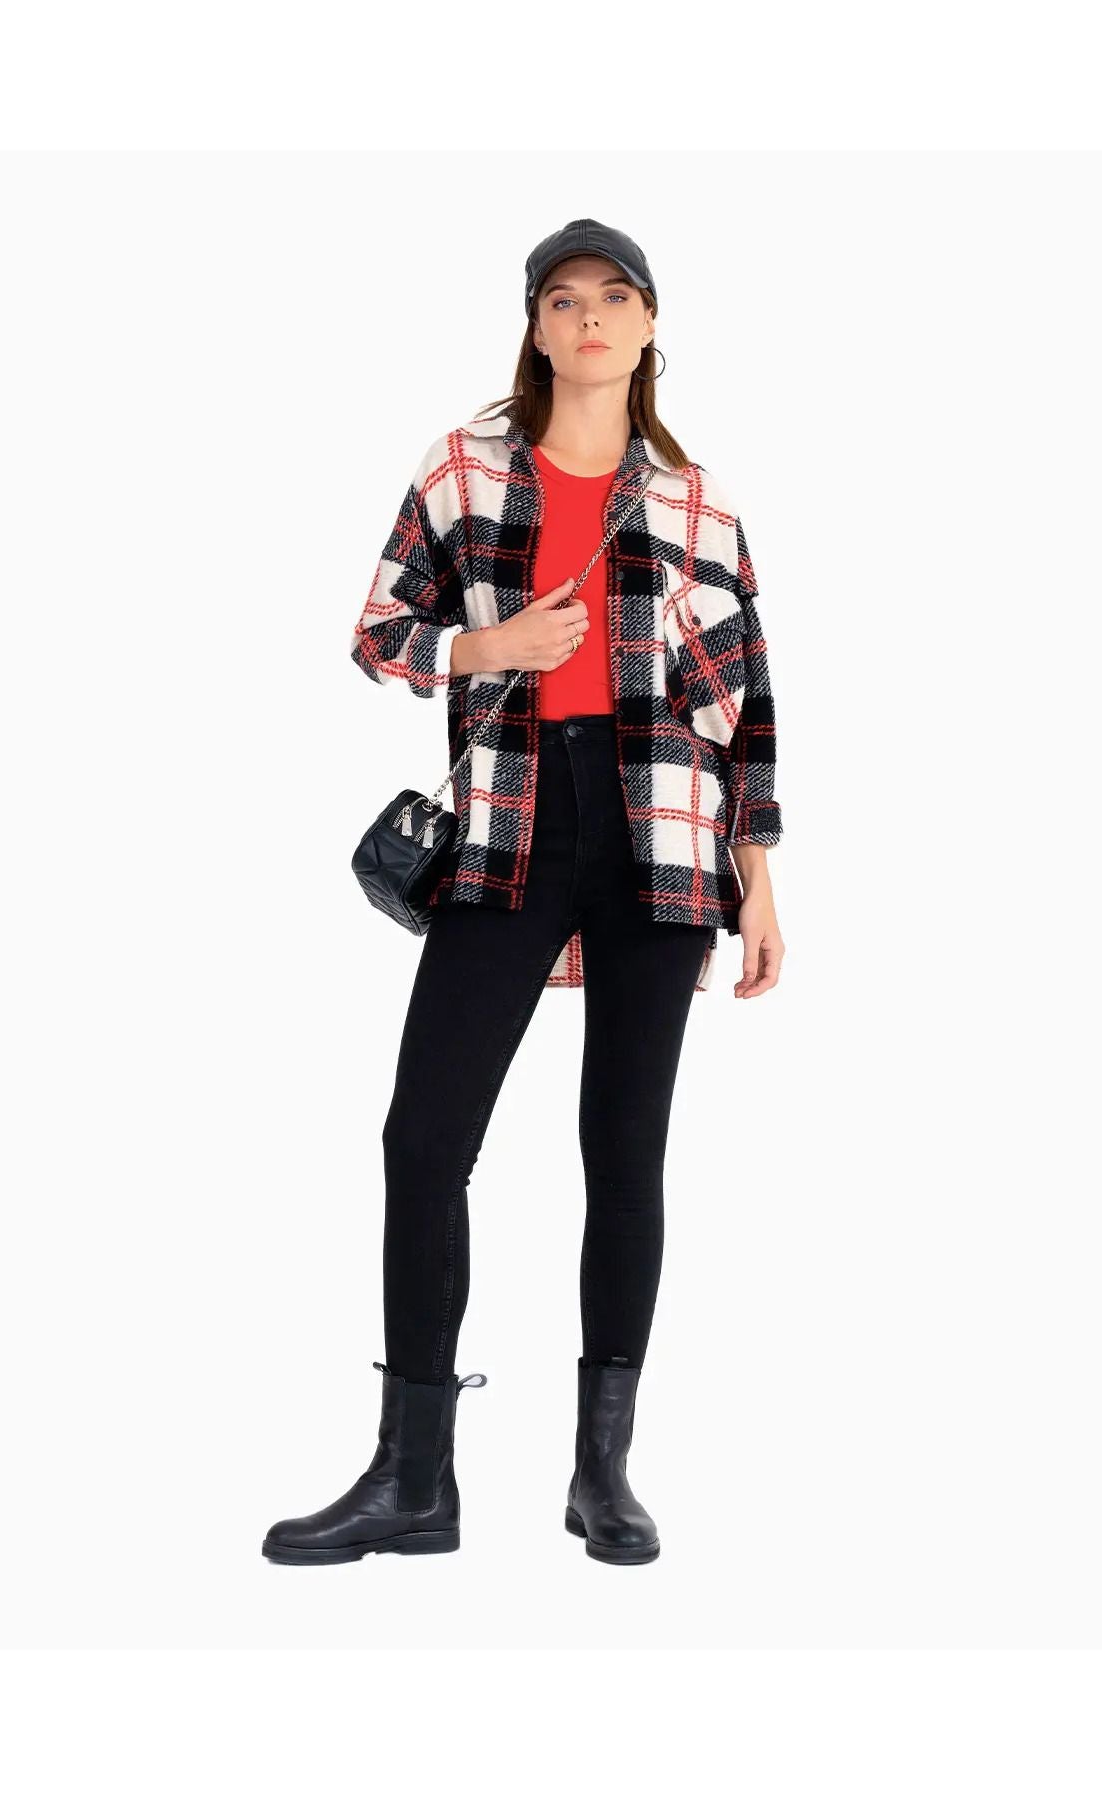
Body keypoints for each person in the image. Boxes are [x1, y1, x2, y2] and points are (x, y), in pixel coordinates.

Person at [262, 217, 785, 1568]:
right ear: (537, 328)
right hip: (510, 824)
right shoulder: (463, 467)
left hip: (664, 837)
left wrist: (759, 876)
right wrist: (486, 645)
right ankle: (412, 1479)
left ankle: (601, 1476)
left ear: (651, 326)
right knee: (423, 1139)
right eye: (564, 299)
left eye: (615, 296)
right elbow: (380, 633)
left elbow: (747, 709)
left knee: (625, 1150)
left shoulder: (700, 504)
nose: (590, 317)